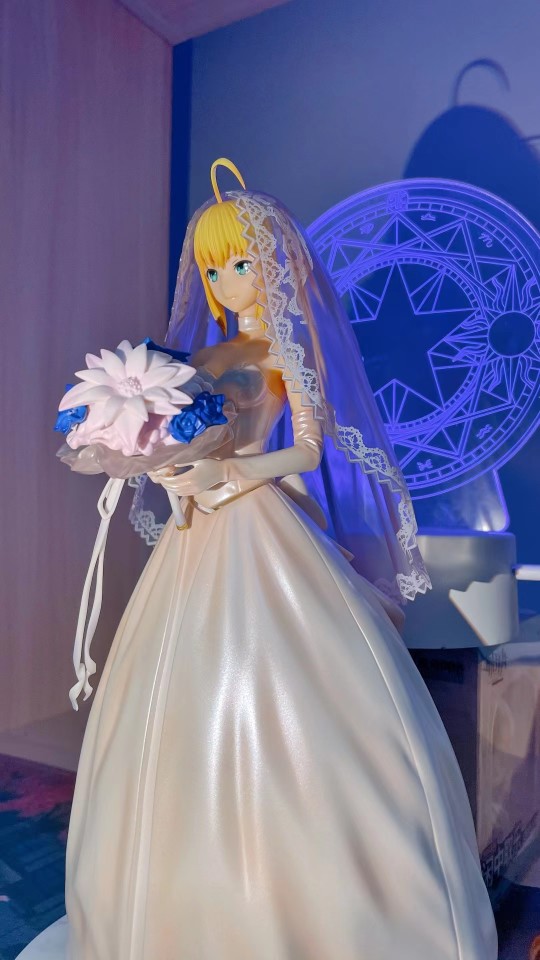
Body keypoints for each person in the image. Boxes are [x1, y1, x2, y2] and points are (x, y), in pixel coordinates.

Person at [19, 159, 497, 959]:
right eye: (213, 268)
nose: (225, 280)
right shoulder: (208, 354)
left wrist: (237, 475)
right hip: (198, 529)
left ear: (275, 264)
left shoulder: (288, 349)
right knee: (168, 694)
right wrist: (168, 471)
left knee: (295, 685)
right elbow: (177, 434)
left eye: (239, 262)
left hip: (259, 519)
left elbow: (307, 449)